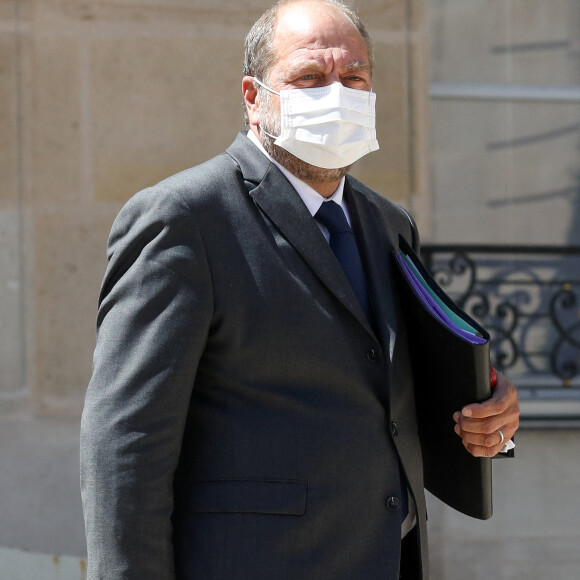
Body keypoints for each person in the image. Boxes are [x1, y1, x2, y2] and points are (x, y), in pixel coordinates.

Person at [80, 1, 520, 578]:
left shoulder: (388, 223)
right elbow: (125, 440)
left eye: (354, 78)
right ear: (253, 96)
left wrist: (489, 409)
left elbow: (382, 379)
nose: (336, 93)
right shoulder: (185, 218)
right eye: (310, 77)